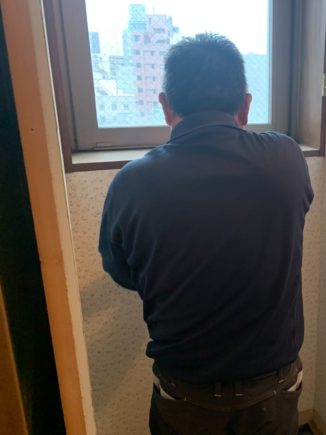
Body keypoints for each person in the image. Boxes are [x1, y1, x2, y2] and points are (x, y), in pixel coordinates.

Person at [98, 33, 313, 435]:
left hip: (184, 393)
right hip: (272, 388)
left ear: (165, 106)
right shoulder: (286, 159)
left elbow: (123, 272)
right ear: (245, 106)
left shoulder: (132, 183)